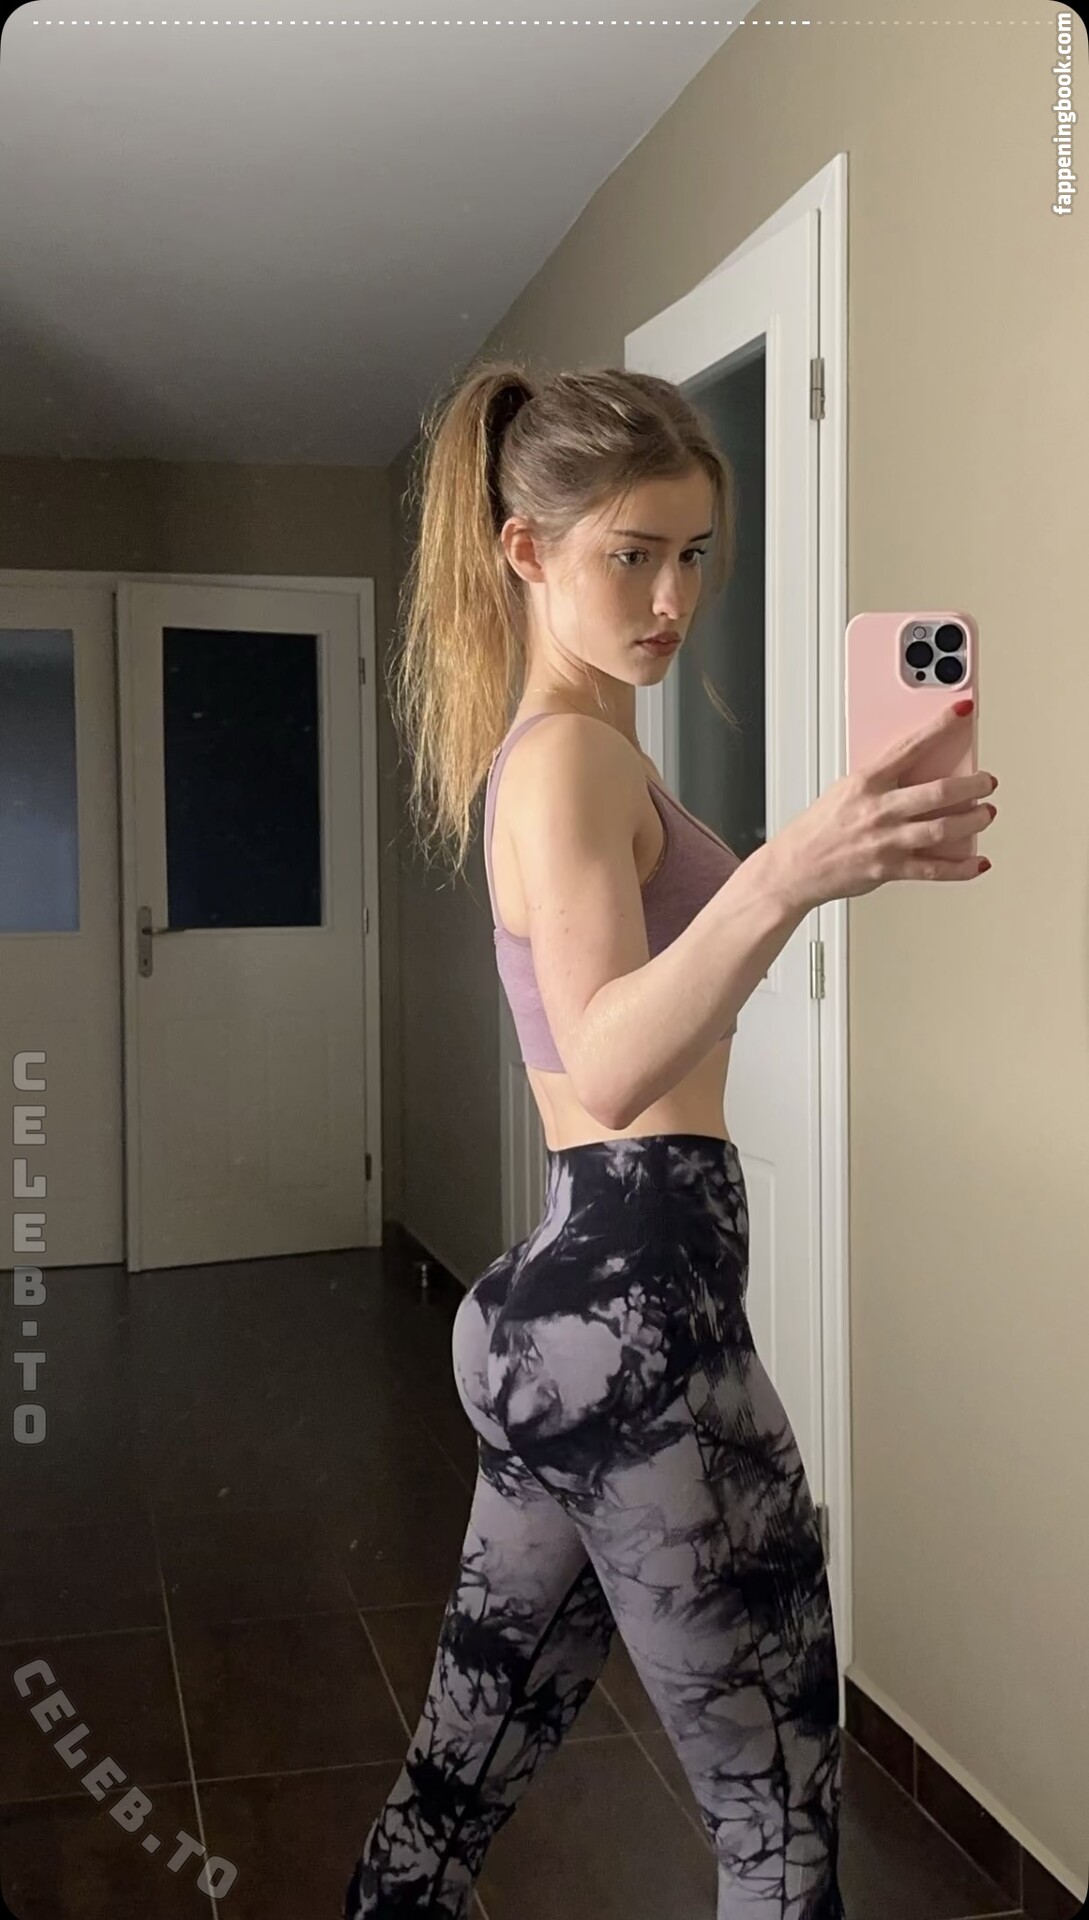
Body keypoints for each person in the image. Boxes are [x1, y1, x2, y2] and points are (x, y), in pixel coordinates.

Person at [342, 360, 997, 1919]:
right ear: (524, 550)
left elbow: (649, 1016)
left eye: (693, 553)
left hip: (564, 1320)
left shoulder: (574, 749)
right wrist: (785, 872)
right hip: (641, 1329)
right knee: (779, 1828)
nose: (669, 598)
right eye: (629, 553)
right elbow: (611, 1058)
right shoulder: (568, 756)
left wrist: (810, 874)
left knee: (459, 1775)